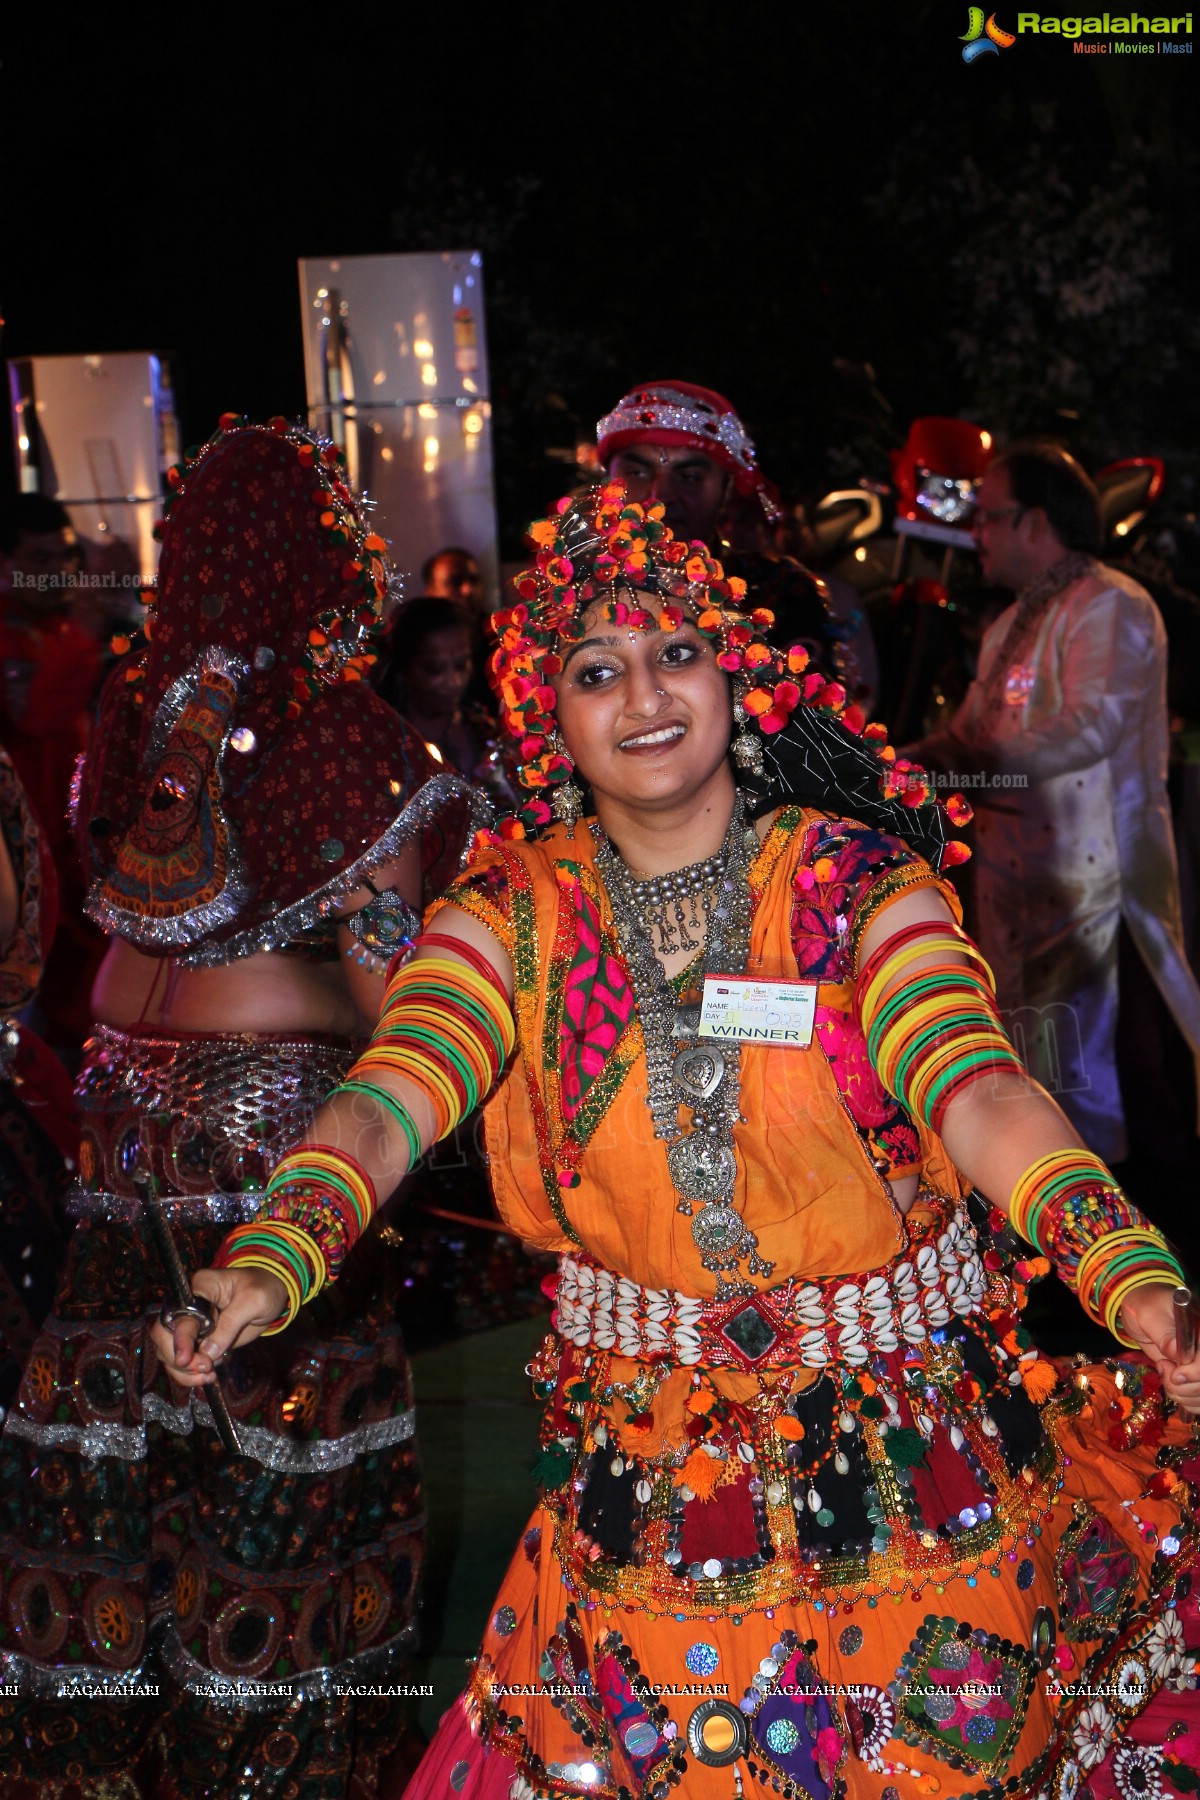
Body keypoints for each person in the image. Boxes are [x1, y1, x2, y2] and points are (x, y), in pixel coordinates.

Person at [159, 482, 1200, 1799]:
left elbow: (977, 1088)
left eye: (677, 653)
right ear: (551, 715)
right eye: (598, 671)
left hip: (907, 1460)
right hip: (647, 1475)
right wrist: (273, 1253)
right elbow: (386, 1098)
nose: (645, 693)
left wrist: (1129, 1276)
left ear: (735, 677)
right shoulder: (510, 921)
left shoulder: (849, 887)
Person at [0, 419, 481, 1800]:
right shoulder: (355, 741)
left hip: (114, 1136)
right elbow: (411, 1014)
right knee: (284, 1476)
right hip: (284, 1149)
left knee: (117, 1440)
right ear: (333, 562)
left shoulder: (133, 716)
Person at [914, 442, 1200, 1172]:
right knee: (1039, 1080)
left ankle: (1132, 1259)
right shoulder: (1009, 625)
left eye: (989, 519)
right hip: (1018, 897)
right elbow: (968, 735)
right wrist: (910, 762)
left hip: (1097, 899)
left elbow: (1092, 725)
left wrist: (973, 767)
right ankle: (1056, 1242)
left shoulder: (1113, 603)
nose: (975, 535)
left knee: (1118, 1099)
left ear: (1034, 522)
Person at [596, 379, 877, 705]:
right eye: (637, 473)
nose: (661, 496)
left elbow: (821, 735)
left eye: (688, 477)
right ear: (606, 484)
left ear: (726, 490)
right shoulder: (564, 595)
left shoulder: (780, 593)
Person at [0, 493, 106, 1052]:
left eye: (68, 558)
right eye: (41, 560)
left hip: (74, 855)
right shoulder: (11, 637)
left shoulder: (65, 632)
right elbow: (35, 713)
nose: (61, 573)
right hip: (22, 869)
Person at [374, 596, 518, 810]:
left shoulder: (481, 728)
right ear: (403, 669)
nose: (455, 681)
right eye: (434, 668)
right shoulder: (387, 746)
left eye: (461, 664)